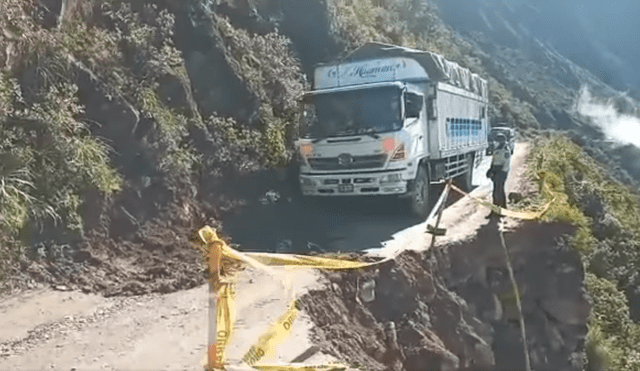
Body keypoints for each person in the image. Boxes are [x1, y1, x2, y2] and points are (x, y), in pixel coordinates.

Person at [486, 133, 511, 218]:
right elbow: (494, 161)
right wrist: (490, 170)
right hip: (496, 172)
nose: (495, 142)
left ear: (501, 141)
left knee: (499, 192)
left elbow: (503, 164)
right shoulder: (498, 149)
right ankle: (495, 210)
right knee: (496, 192)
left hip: (501, 173)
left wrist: (495, 172)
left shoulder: (504, 150)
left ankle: (502, 211)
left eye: (497, 141)